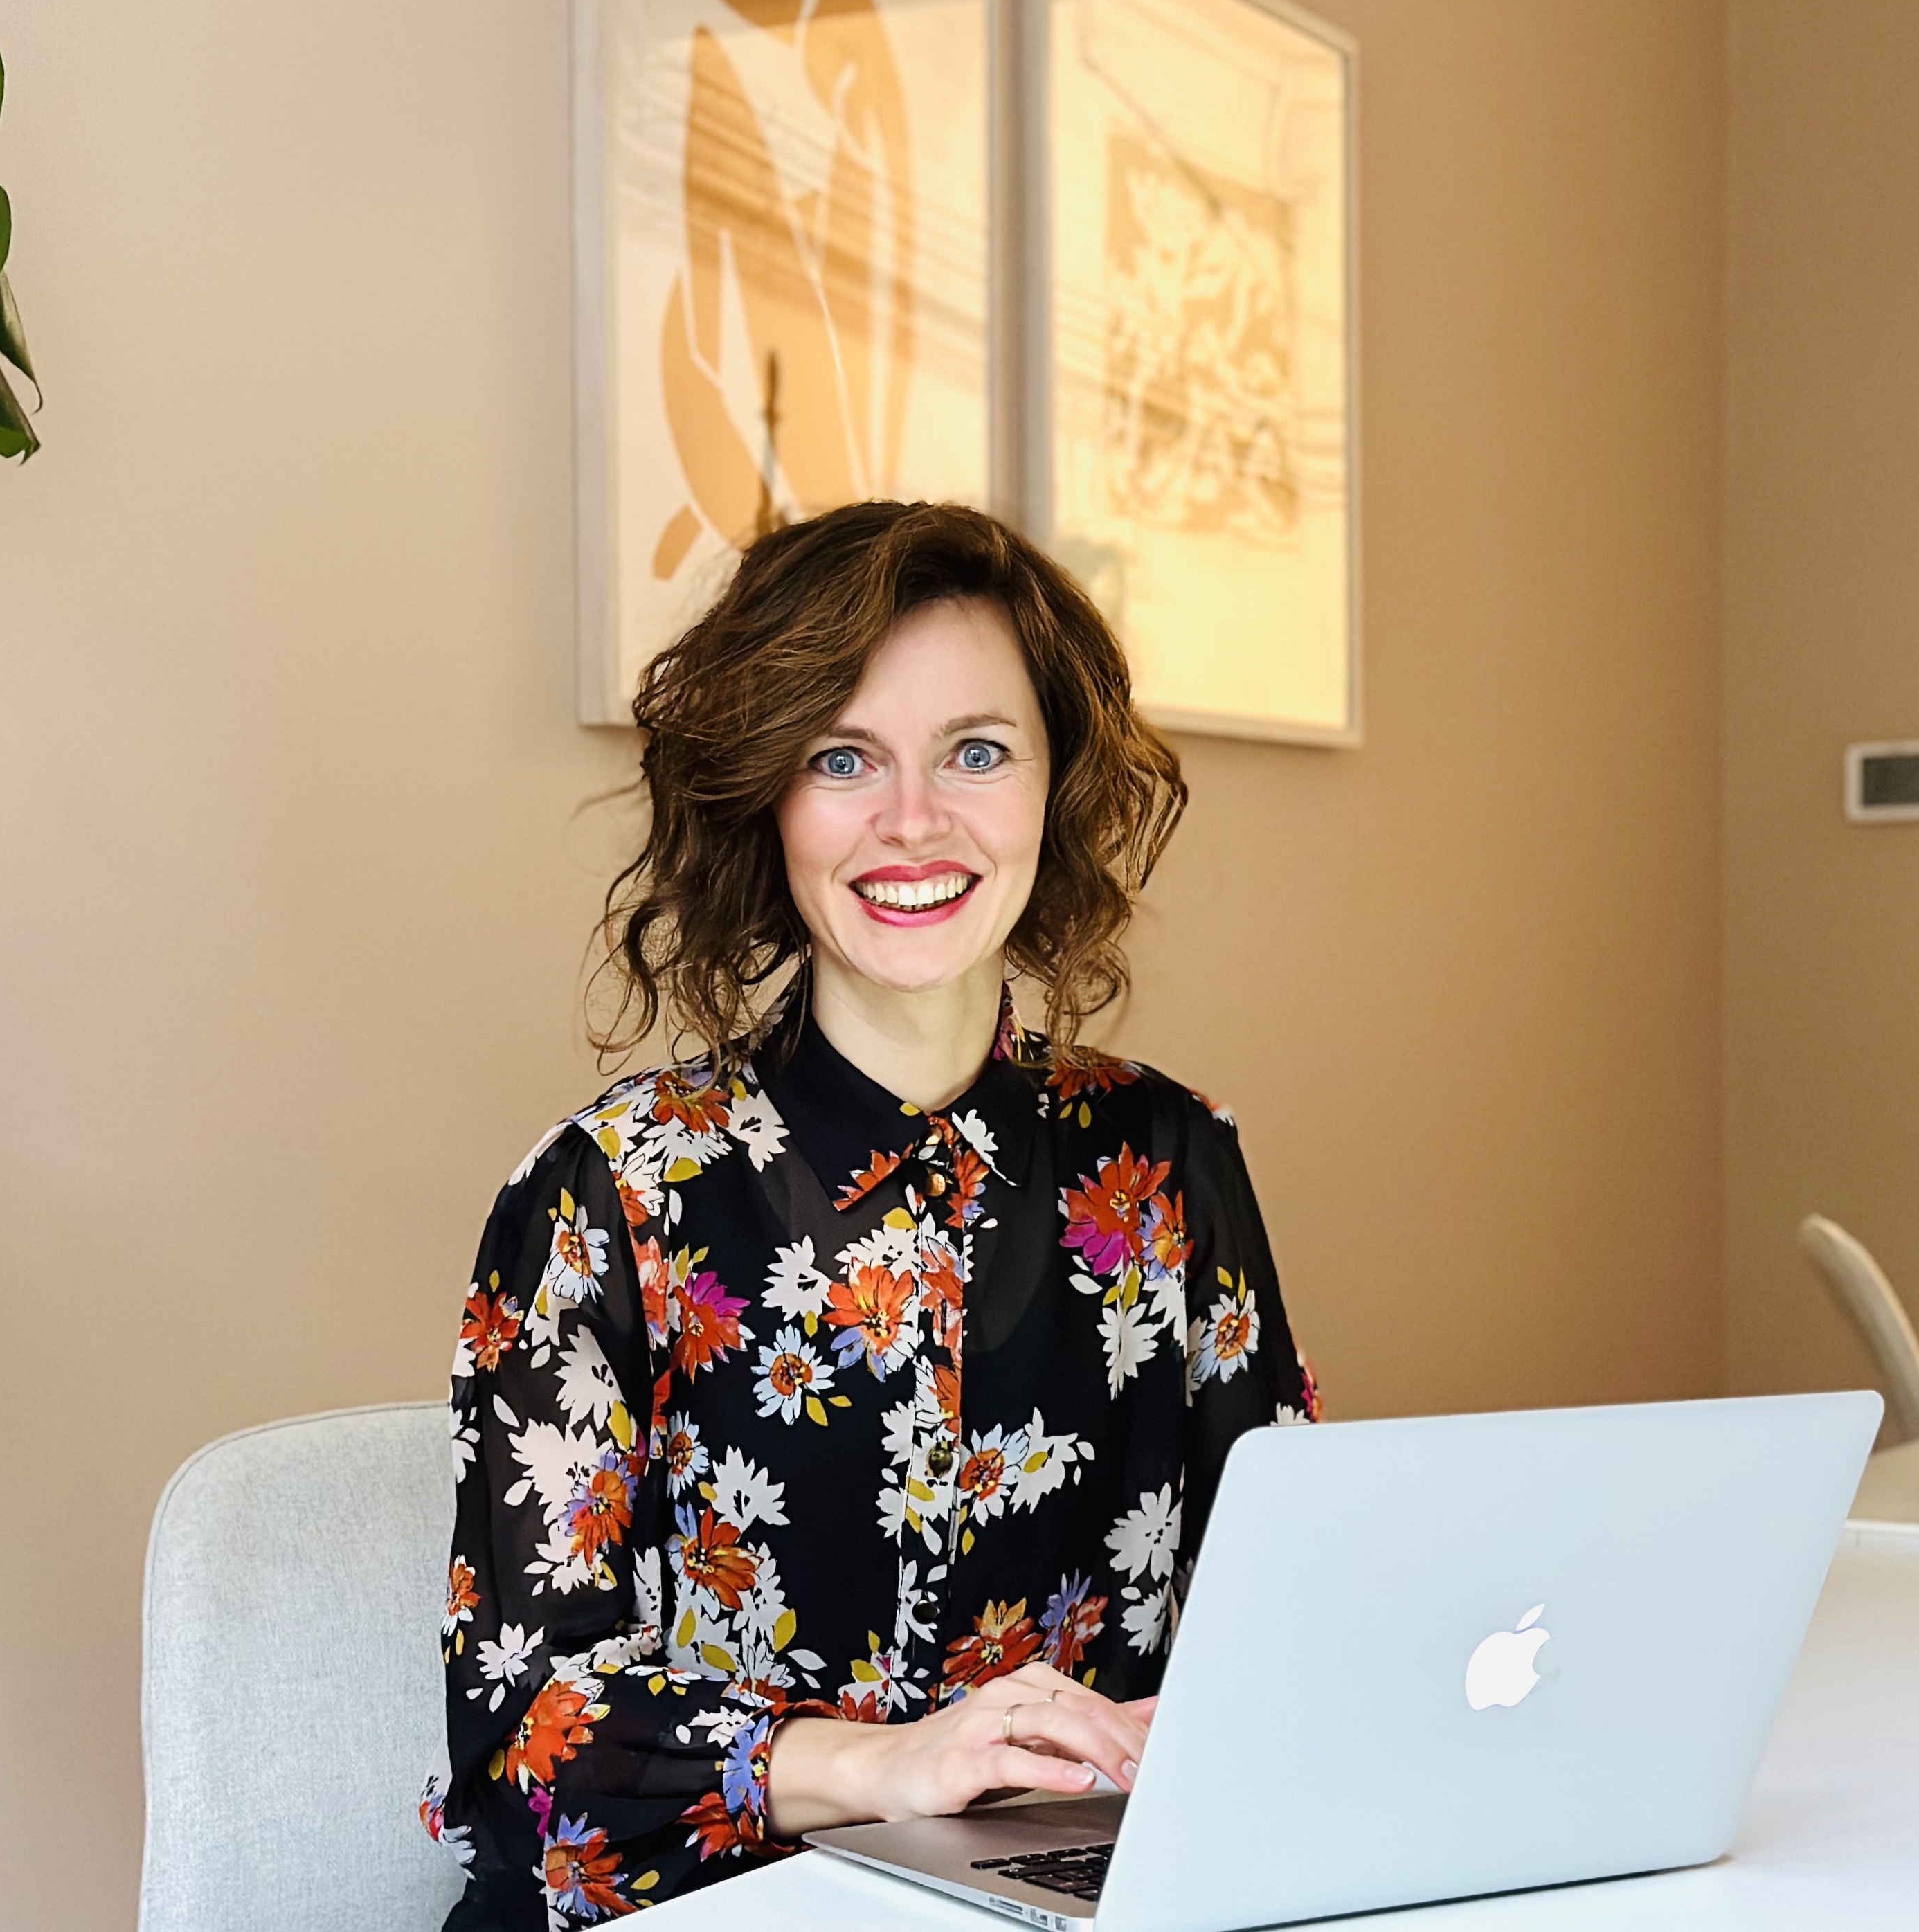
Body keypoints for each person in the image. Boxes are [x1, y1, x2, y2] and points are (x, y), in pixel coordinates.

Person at [422, 501, 1319, 1927]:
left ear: (1054, 788)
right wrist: (885, 1767)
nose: (915, 820)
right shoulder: (610, 1190)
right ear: (765, 798)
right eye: (844, 759)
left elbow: (1294, 1597)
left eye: (977, 751)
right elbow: (524, 1725)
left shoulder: (1171, 1154)